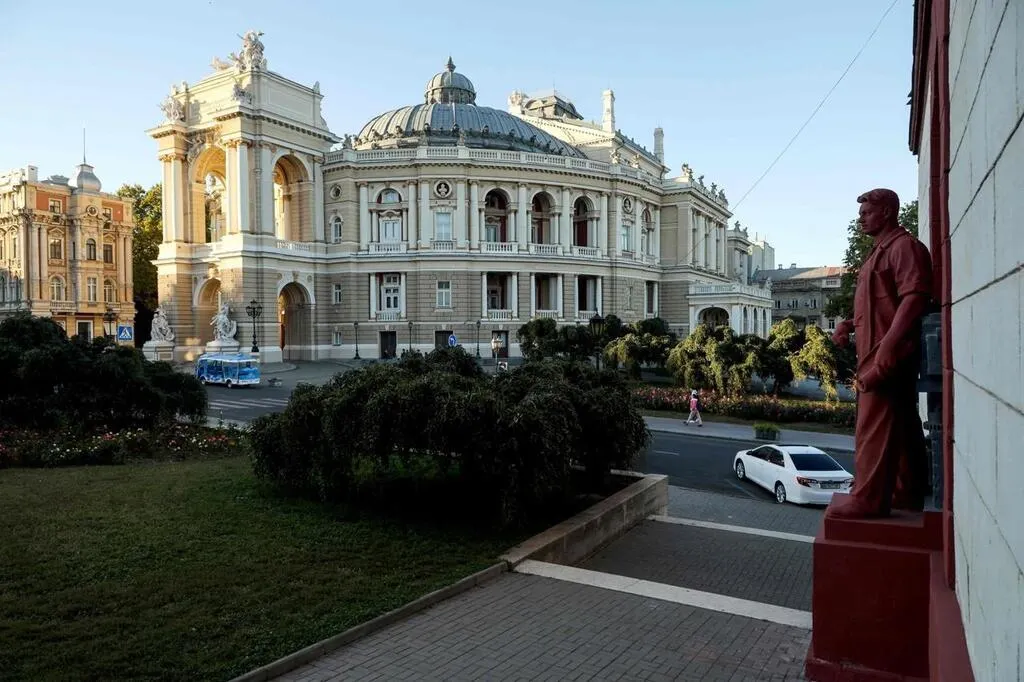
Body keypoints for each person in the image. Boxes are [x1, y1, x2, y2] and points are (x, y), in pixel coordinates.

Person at [829, 188, 933, 519]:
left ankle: (869, 497)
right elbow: (881, 304)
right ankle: (906, 491)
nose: (860, 218)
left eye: (866, 213)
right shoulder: (879, 252)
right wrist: (849, 323)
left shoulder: (904, 247)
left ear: (887, 212)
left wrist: (888, 344)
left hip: (887, 353)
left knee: (873, 423)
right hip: (878, 347)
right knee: (900, 423)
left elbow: (914, 297)